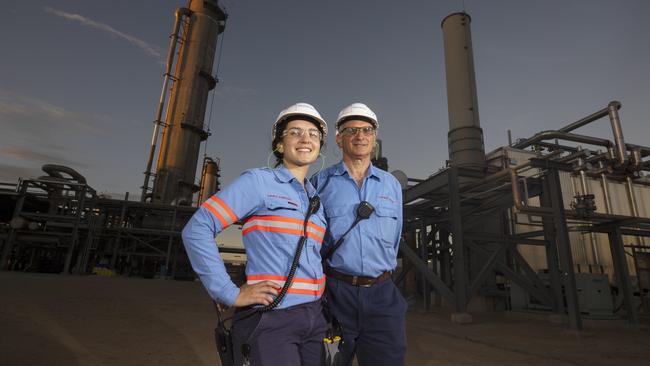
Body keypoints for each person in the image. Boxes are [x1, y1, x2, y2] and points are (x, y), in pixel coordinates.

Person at [182, 102, 329, 365]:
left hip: (314, 319)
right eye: (295, 132)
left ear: (319, 147)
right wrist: (227, 292)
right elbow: (197, 228)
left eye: (313, 133)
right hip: (272, 318)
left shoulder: (314, 197)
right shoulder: (259, 182)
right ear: (280, 144)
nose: (306, 138)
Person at [312, 103, 406, 366]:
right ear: (340, 139)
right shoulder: (320, 183)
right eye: (351, 130)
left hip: (382, 295)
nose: (360, 136)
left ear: (374, 137)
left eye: (367, 129)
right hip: (334, 295)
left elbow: (396, 236)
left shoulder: (391, 186)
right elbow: (310, 242)